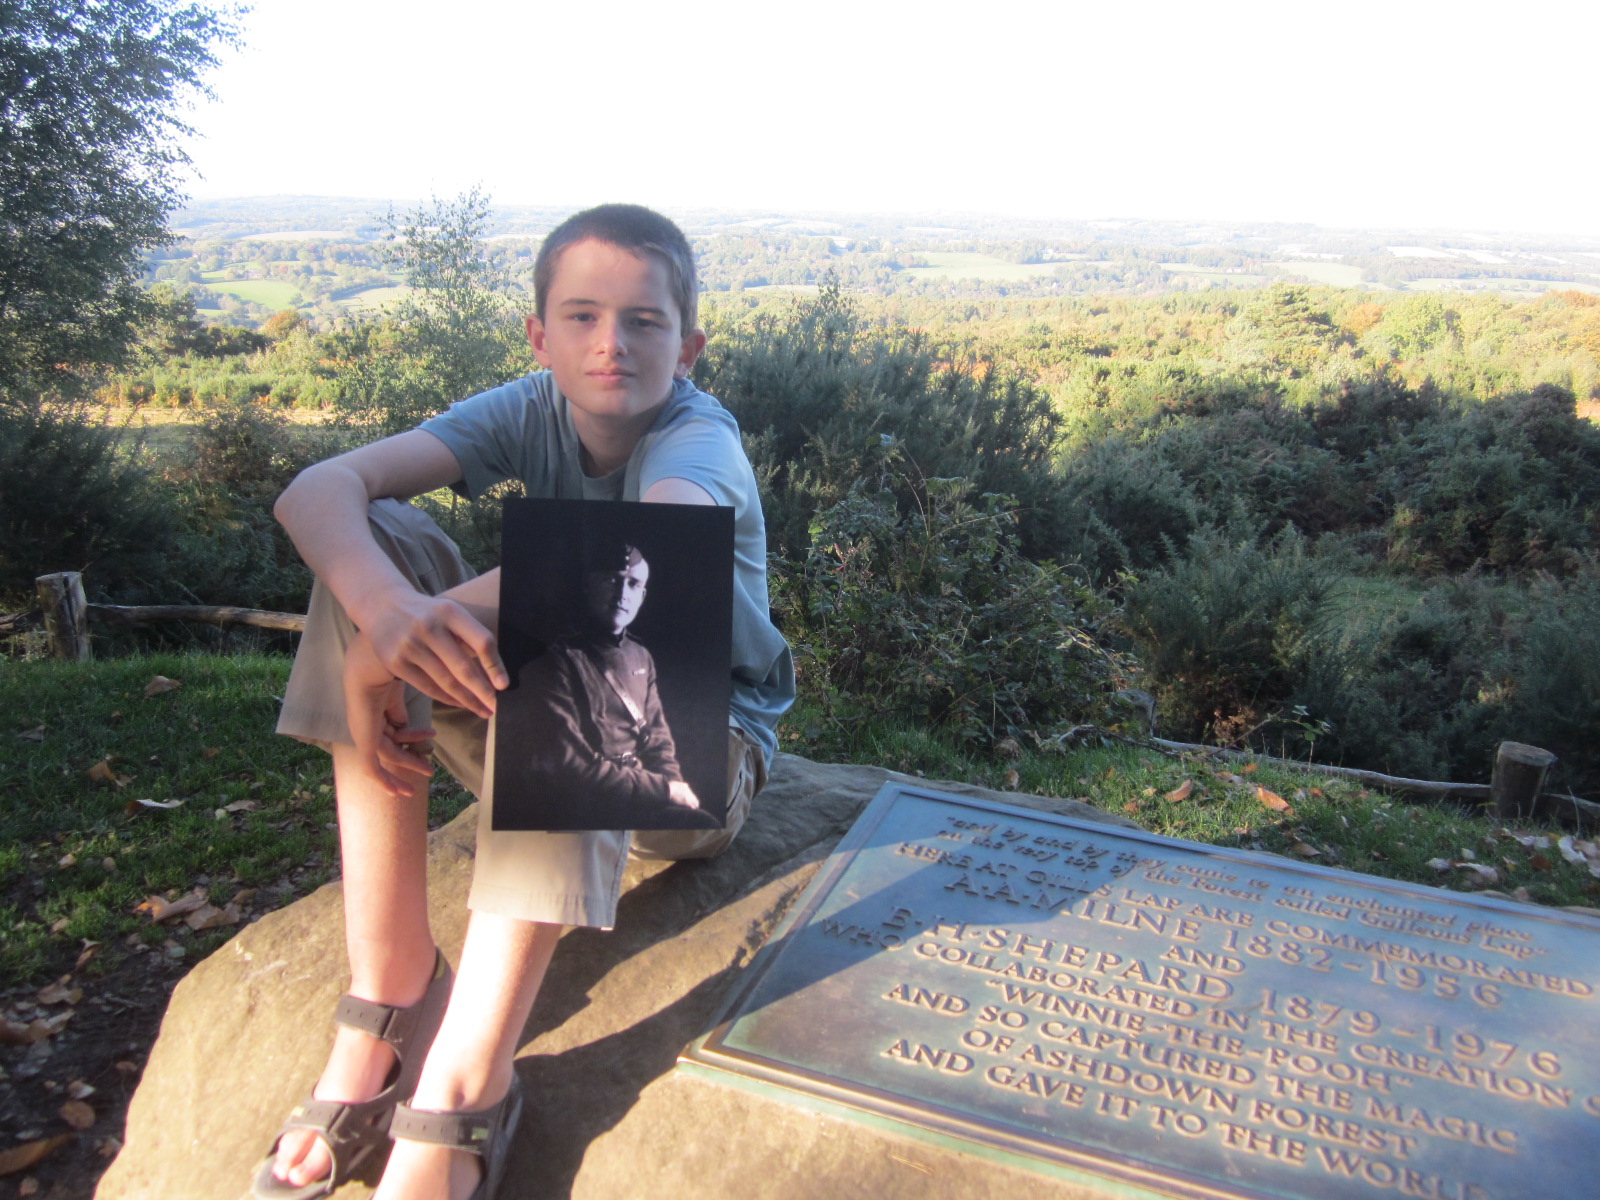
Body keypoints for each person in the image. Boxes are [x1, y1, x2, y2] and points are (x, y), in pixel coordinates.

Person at [256, 204, 793, 1200]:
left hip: (696, 758)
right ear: (538, 335)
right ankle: (392, 989)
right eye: (581, 316)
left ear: (690, 348)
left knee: (598, 598)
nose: (610, 343)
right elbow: (320, 488)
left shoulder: (697, 437)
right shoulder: (527, 407)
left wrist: (399, 650)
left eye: (643, 321)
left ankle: (467, 1082)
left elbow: (650, 543)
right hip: (523, 723)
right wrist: (385, 618)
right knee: (376, 541)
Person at [506, 540, 720, 831]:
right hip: (582, 801)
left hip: (637, 792)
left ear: (642, 595)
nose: (622, 594)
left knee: (702, 825)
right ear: (588, 586)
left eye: (633, 584)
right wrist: (664, 790)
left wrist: (673, 783)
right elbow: (569, 764)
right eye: (611, 580)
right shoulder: (555, 660)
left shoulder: (640, 655)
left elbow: (657, 737)